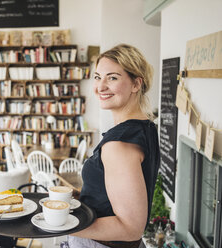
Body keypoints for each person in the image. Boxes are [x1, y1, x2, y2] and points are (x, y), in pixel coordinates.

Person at [68, 44, 160, 248]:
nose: (100, 87)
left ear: (136, 84)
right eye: (98, 77)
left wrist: (61, 224)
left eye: (112, 78)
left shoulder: (120, 143)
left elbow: (130, 228)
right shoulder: (145, 128)